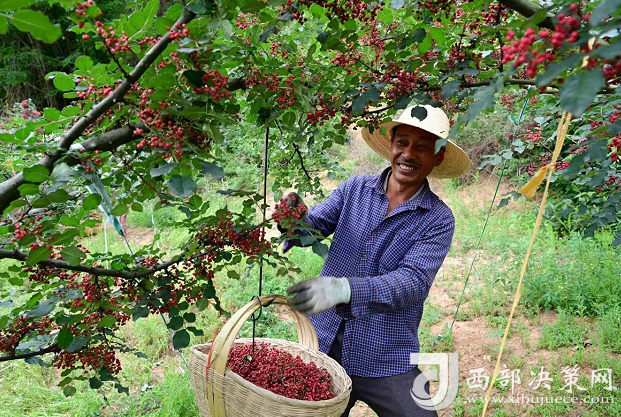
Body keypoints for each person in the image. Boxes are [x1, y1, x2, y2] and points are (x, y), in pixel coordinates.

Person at [284, 104, 471, 417]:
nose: (408, 154)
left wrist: (345, 289)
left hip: (385, 352)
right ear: (392, 146)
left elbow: (412, 282)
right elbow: (313, 228)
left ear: (438, 157)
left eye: (422, 147)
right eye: (402, 143)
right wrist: (293, 221)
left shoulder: (437, 218)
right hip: (324, 343)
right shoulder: (355, 190)